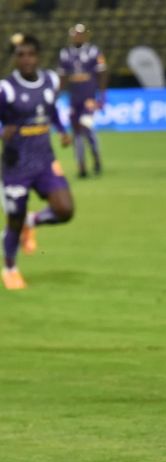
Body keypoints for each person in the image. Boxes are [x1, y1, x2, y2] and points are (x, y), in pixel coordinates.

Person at [1, 34, 74, 290]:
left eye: (30, 54)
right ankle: (10, 267)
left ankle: (31, 224)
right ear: (15, 59)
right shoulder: (6, 89)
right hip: (16, 165)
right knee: (14, 218)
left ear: (38, 56)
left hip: (44, 160)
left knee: (65, 210)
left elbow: (50, 108)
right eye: (20, 55)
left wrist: (62, 130)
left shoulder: (50, 81)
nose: (26, 60)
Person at [58, 23, 107, 178]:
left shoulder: (93, 51)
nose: (78, 36)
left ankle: (95, 158)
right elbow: (63, 76)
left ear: (85, 35)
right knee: (76, 131)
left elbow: (102, 73)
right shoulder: (65, 53)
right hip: (74, 98)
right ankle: (81, 166)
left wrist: (102, 96)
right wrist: (57, 94)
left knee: (86, 126)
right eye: (75, 34)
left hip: (89, 98)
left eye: (80, 34)